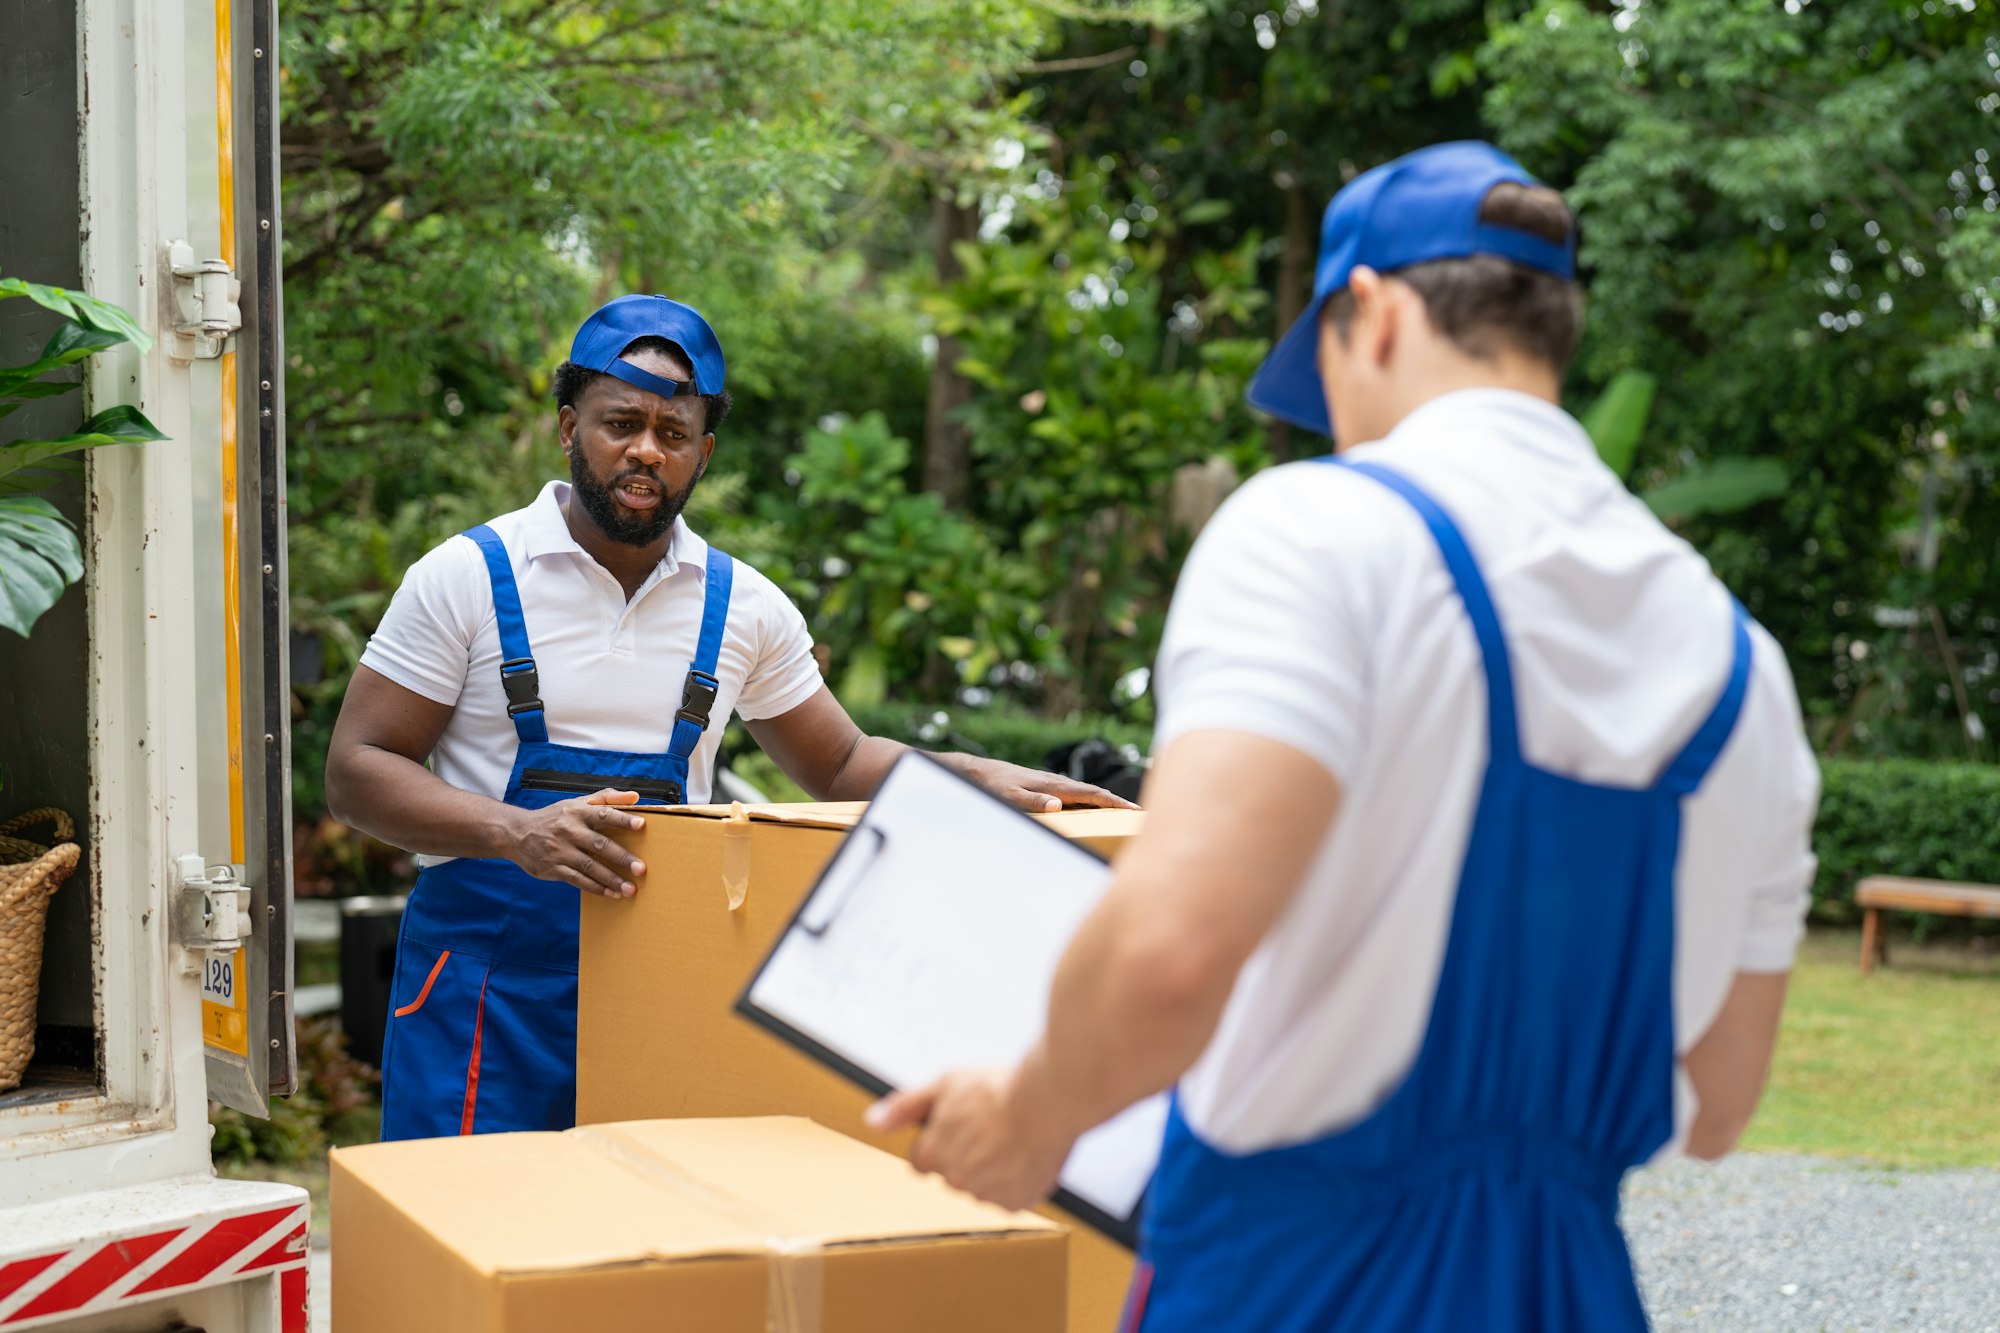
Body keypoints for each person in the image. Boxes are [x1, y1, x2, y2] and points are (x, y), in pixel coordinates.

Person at [870, 142, 1819, 1330]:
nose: (1335, 435)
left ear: (1366, 316)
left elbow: (1170, 948)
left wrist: (1028, 1115)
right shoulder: (1742, 667)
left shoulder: (1319, 535)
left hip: (1298, 1285)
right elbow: (1720, 1100)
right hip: (1566, 1293)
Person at [325, 294, 1131, 1142]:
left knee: (641, 1244)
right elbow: (358, 768)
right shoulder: (464, 576)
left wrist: (973, 777)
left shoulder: (742, 605)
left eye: (672, 434)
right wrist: (512, 832)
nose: (645, 450)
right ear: (569, 427)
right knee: (470, 1236)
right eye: (620, 423)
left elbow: (842, 763)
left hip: (659, 989)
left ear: (702, 453)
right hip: (476, 989)